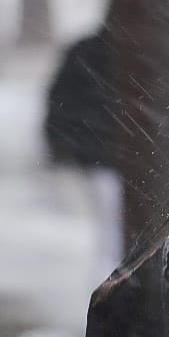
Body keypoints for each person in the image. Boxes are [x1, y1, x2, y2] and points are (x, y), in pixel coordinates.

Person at [43, 28, 124, 292]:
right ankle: (107, 283)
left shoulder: (88, 52)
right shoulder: (93, 54)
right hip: (103, 153)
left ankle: (108, 281)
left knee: (113, 226)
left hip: (103, 151)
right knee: (113, 225)